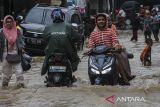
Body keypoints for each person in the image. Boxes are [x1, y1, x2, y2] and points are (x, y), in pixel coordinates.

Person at [88, 13, 135, 85]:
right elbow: (91, 44)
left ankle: (125, 79)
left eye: (103, 20)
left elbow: (114, 41)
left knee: (118, 62)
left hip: (110, 54)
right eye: (99, 20)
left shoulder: (111, 31)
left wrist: (116, 46)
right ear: (96, 21)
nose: (101, 21)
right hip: (97, 55)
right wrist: (89, 49)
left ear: (106, 21)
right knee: (90, 63)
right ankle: (91, 79)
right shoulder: (93, 34)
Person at [41, 8, 81, 81]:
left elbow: (44, 39)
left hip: (51, 52)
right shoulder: (68, 26)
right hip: (67, 52)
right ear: (62, 16)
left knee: (46, 60)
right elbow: (77, 38)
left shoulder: (48, 27)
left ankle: (45, 71)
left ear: (52, 17)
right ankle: (71, 75)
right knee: (75, 59)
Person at [0, 15, 25, 89]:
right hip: (5, 54)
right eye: (7, 22)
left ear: (13, 22)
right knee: (6, 73)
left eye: (10, 22)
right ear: (4, 23)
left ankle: (20, 87)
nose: (9, 23)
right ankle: (5, 87)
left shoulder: (17, 31)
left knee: (19, 71)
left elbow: (21, 41)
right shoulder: (1, 32)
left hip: (16, 53)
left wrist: (22, 48)